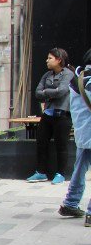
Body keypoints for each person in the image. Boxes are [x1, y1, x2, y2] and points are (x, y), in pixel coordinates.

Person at [29, 48, 76, 184]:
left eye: (50, 58)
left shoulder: (68, 74)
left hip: (62, 115)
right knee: (41, 143)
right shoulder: (47, 75)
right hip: (48, 114)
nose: (47, 60)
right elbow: (37, 93)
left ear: (59, 60)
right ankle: (41, 172)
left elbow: (62, 91)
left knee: (61, 145)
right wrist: (51, 92)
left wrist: (46, 92)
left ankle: (60, 173)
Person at [59, 48, 91, 226]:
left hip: (83, 132)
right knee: (80, 167)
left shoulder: (78, 77)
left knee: (80, 168)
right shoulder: (89, 81)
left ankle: (71, 203)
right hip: (89, 131)